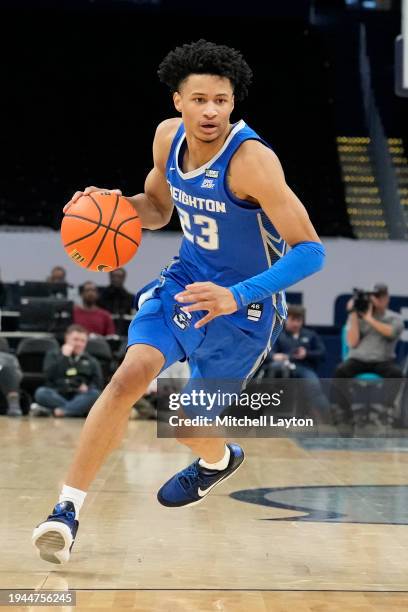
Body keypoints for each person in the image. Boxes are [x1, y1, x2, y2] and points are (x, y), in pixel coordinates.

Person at [32, 39, 325, 564]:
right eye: (199, 99)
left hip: (246, 309)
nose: (210, 110)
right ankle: (65, 512)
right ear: (178, 102)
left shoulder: (253, 162)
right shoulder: (167, 141)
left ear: (234, 103)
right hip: (187, 284)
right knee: (128, 377)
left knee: (186, 422)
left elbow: (309, 253)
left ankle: (219, 460)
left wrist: (236, 295)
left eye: (221, 99)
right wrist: (108, 207)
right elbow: (157, 209)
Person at [333, 283, 404, 417]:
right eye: (374, 296)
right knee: (340, 371)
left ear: (387, 298)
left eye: (380, 296)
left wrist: (369, 318)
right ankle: (345, 412)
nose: (377, 300)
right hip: (358, 359)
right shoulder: (356, 317)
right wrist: (353, 314)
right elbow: (352, 343)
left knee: (396, 374)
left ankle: (386, 411)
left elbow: (391, 333)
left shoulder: (394, 318)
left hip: (382, 361)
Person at [264, 304, 330, 417]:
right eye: (292, 320)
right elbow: (266, 353)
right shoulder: (277, 334)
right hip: (281, 367)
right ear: (286, 319)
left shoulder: (310, 335)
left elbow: (322, 353)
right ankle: (268, 413)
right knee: (273, 374)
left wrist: (306, 353)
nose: (295, 324)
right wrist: (275, 356)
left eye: (298, 320)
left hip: (303, 368)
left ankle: (327, 415)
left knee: (313, 384)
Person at [31, 324, 102, 418]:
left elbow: (98, 383)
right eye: (75, 339)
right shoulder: (53, 355)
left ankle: (59, 411)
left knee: (94, 394)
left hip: (80, 396)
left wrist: (88, 387)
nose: (79, 344)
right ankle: (77, 411)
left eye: (83, 341)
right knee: (41, 392)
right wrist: (64, 357)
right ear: (67, 338)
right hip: (57, 393)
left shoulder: (91, 361)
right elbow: (49, 376)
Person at [0, 347, 23, 417]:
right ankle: (13, 401)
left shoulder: (10, 358)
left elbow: (19, 375)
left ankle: (13, 401)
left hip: (6, 391)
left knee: (6, 369)